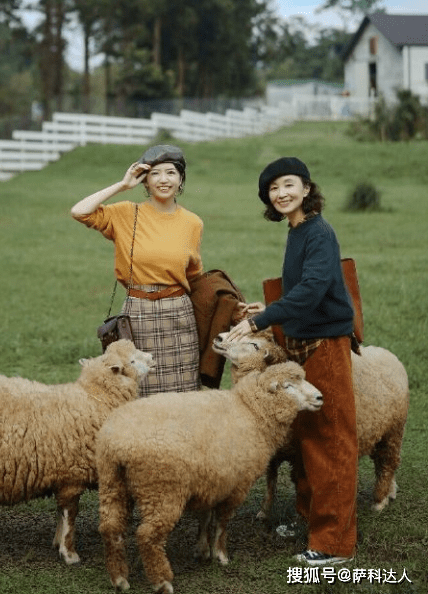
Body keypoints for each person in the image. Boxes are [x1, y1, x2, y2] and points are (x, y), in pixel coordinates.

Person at [221, 157, 358, 567]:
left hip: (326, 345)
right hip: (305, 342)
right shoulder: (297, 229)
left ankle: (334, 544)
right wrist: (274, 306)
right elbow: (305, 287)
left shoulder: (318, 232)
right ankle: (312, 521)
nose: (280, 194)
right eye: (272, 189)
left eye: (287, 185)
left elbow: (316, 287)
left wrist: (260, 320)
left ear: (305, 187)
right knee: (306, 438)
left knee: (330, 439)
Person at [71, 145, 204, 396]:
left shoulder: (193, 223)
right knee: (140, 391)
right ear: (144, 180)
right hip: (138, 313)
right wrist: (122, 185)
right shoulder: (125, 213)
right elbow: (79, 211)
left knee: (184, 396)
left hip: (179, 316)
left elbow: (195, 275)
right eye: (155, 174)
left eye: (171, 173)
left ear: (181, 179)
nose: (163, 180)